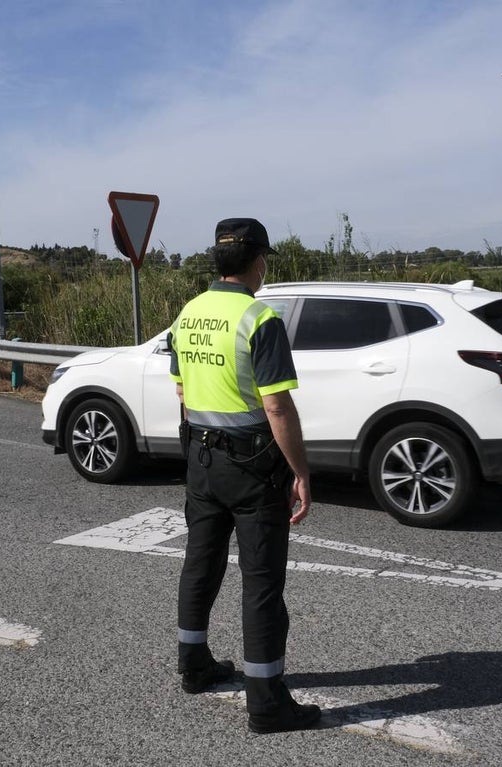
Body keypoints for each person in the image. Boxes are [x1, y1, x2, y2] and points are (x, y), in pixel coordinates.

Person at [168, 218, 321, 734]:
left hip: (201, 461)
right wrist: (300, 470)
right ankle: (266, 703)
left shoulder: (188, 314)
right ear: (257, 262)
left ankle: (193, 666)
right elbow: (276, 406)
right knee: (260, 584)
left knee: (201, 564)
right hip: (253, 469)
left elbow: (184, 393)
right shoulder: (260, 318)